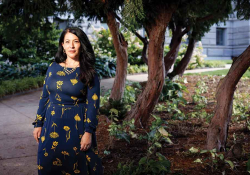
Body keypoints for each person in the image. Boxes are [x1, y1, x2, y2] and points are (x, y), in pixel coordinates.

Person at [32, 27, 103, 175]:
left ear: (81, 45)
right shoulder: (52, 67)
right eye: (67, 42)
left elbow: (93, 105)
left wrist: (88, 132)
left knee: (77, 167)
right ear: (62, 45)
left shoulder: (89, 72)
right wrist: (38, 123)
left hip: (77, 126)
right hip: (51, 124)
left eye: (75, 42)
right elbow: (45, 96)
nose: (71, 46)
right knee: (49, 165)